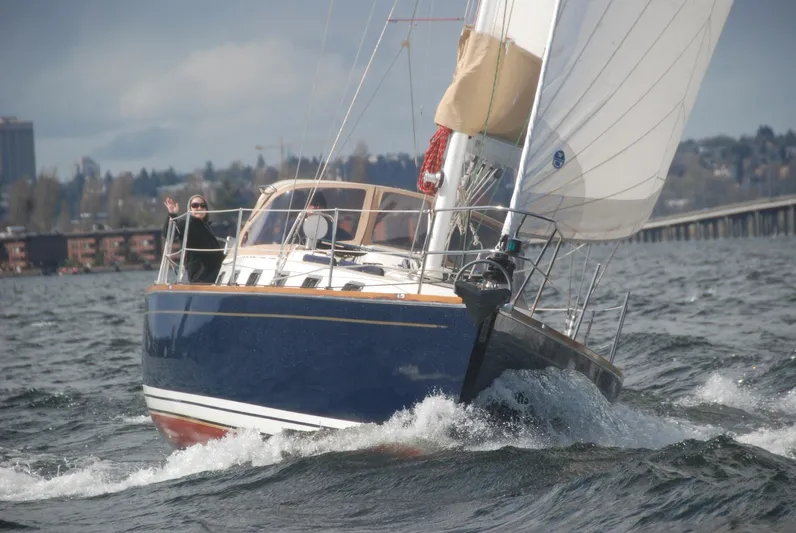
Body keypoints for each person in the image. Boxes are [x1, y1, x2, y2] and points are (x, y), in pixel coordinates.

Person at [162, 194, 224, 283]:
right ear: (190, 209)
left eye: (202, 206)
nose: (199, 208)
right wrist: (172, 215)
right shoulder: (186, 223)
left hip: (215, 272)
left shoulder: (206, 226)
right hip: (200, 275)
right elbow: (168, 234)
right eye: (195, 205)